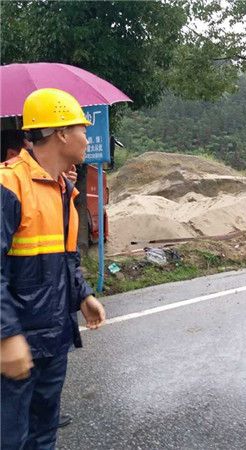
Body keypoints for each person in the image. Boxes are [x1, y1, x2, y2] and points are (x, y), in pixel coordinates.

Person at [1, 88, 106, 449]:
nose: (86, 137)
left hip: (52, 338)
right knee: (9, 438)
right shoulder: (8, 184)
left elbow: (64, 258)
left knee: (44, 435)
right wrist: (7, 337)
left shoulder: (64, 190)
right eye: (82, 129)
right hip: (16, 345)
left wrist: (82, 295)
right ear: (61, 133)